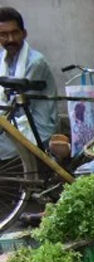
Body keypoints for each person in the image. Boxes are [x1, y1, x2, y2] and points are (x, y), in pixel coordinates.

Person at [0, 6, 57, 160]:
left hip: (37, 126)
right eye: (4, 35)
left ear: (24, 33)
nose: (10, 39)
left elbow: (16, 105)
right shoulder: (2, 58)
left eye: (15, 33)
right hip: (13, 120)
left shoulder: (35, 62)